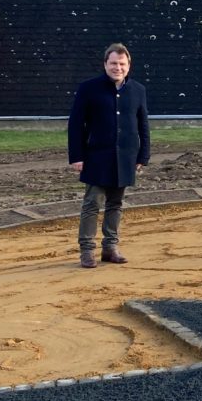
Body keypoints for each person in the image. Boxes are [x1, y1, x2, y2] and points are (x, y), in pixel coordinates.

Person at [68, 43, 150, 268]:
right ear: (105, 64)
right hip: (96, 156)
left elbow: (142, 125)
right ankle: (87, 250)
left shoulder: (138, 90)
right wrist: (77, 156)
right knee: (92, 203)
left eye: (122, 64)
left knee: (116, 203)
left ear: (128, 65)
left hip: (126, 157)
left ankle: (110, 247)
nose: (118, 67)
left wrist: (143, 155)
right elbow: (76, 124)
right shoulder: (88, 88)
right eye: (113, 63)